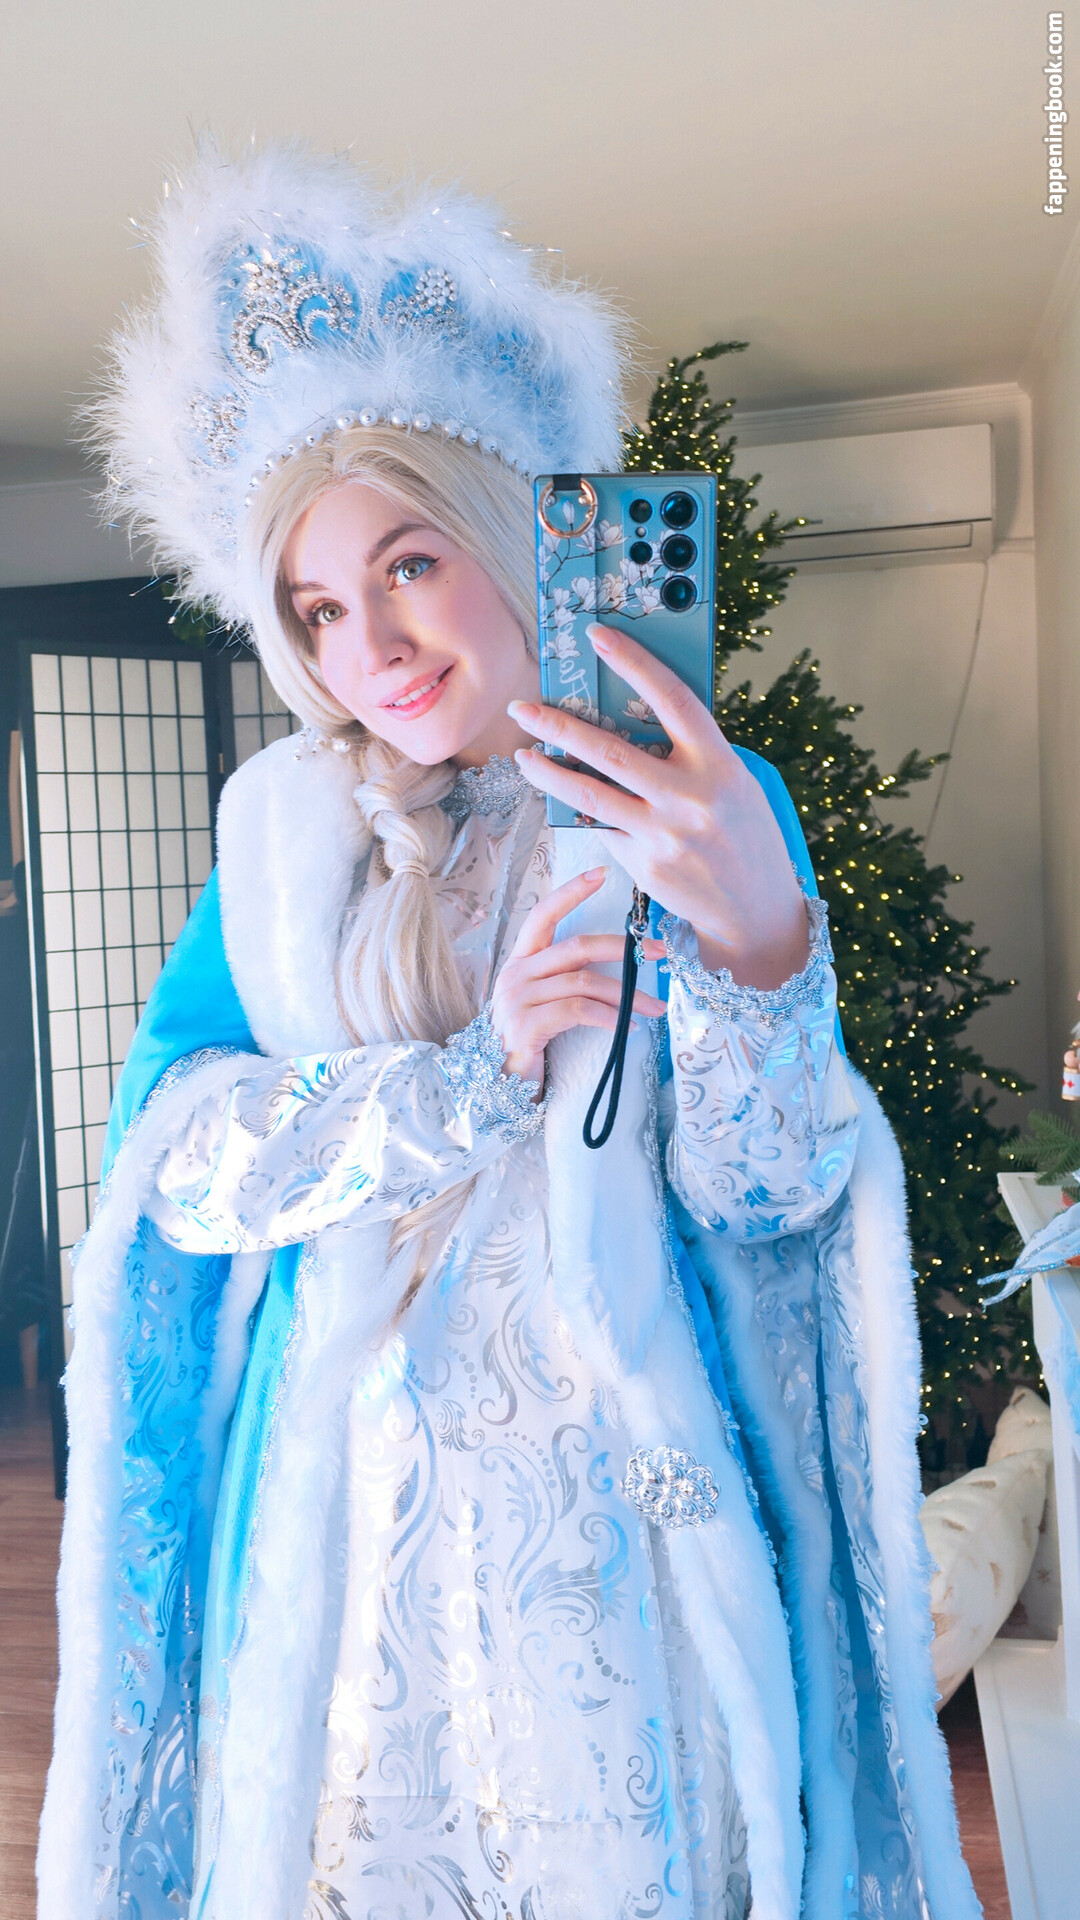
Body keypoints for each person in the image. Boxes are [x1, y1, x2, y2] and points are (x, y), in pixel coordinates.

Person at [38, 144, 980, 1920]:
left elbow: (773, 1192)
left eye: (408, 563)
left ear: (499, 534)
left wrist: (757, 941)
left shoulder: (691, 801)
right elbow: (180, 1171)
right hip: (352, 1522)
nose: (370, 646)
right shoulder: (284, 841)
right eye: (319, 609)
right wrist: (467, 1084)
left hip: (611, 1519)